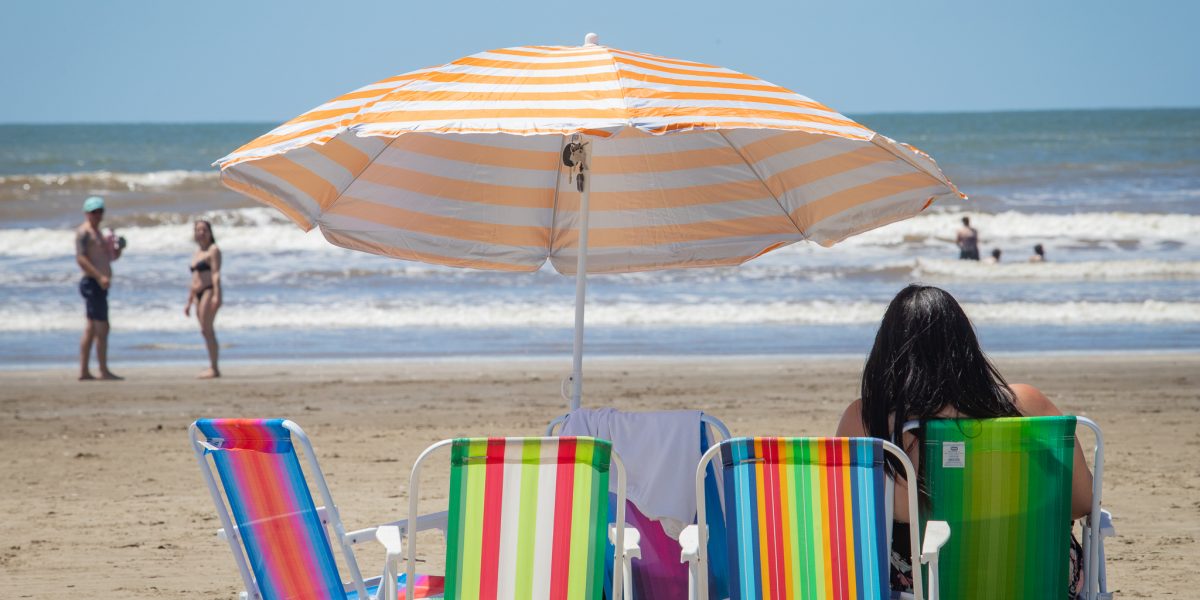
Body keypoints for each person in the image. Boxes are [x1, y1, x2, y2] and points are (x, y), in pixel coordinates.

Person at [835, 284, 1093, 593]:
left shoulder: (867, 419)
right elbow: (1081, 503)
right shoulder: (1027, 405)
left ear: (887, 348)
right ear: (965, 344)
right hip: (1035, 577)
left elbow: (849, 523)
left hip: (925, 585)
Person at [75, 196, 123, 381]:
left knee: (91, 328)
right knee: (102, 327)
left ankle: (86, 371)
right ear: (87, 213)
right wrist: (99, 276)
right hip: (92, 283)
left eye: (100, 211)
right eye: (94, 212)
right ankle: (102, 370)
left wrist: (119, 250)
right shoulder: (84, 232)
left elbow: (107, 258)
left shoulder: (99, 233)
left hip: (100, 284)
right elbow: (81, 259)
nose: (98, 215)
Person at [184, 220, 223, 378]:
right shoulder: (197, 252)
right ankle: (211, 365)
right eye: (198, 230)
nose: (201, 233)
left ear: (210, 232)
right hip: (197, 294)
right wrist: (188, 301)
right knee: (204, 331)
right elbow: (194, 279)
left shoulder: (213, 250)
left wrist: (217, 295)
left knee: (208, 329)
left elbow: (215, 274)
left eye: (204, 230)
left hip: (209, 291)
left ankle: (214, 368)